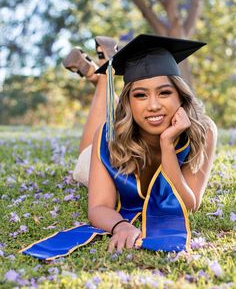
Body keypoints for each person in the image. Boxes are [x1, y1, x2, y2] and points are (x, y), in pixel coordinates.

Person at [20, 34, 217, 260]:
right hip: (103, 152)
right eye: (140, 95)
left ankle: (102, 75)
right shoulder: (109, 136)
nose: (154, 105)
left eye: (164, 92)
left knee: (121, 119)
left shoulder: (204, 130)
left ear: (181, 96)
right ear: (128, 103)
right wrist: (120, 226)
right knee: (90, 147)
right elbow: (100, 206)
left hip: (146, 129)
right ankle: (105, 78)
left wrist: (167, 145)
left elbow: (188, 204)